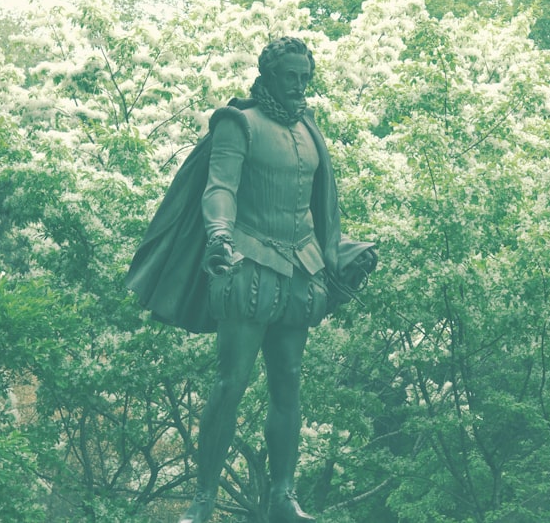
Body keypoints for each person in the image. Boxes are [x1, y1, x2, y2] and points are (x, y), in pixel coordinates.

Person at [127, 36, 375, 523]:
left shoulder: (309, 128)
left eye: (306, 77)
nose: (300, 85)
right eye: (291, 76)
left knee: (289, 383)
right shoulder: (237, 122)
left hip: (302, 270)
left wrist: (336, 251)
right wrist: (220, 234)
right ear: (268, 75)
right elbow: (220, 187)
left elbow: (318, 207)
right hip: (249, 267)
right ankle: (203, 499)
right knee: (231, 383)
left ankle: (283, 496)